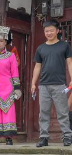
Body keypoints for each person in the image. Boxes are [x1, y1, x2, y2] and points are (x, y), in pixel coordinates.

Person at [31, 19, 72, 147]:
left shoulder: (64, 46)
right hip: (43, 85)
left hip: (59, 84)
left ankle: (67, 136)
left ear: (57, 31)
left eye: (51, 30)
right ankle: (43, 138)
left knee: (63, 111)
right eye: (46, 31)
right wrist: (33, 83)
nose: (48, 33)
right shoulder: (41, 48)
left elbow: (70, 63)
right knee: (43, 112)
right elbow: (37, 66)